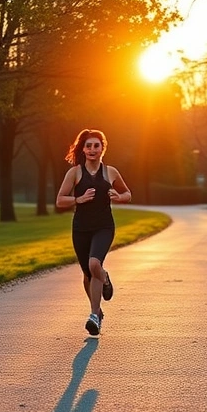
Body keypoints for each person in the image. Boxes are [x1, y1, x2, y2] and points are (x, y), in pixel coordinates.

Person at [55, 129, 132, 336]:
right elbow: (60, 200)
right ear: (83, 148)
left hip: (104, 226)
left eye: (96, 145)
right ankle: (99, 308)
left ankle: (93, 314)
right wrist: (78, 200)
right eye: (88, 146)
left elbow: (127, 194)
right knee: (88, 274)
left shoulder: (110, 172)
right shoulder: (75, 173)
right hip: (81, 228)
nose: (92, 149)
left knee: (94, 264)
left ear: (102, 148)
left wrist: (118, 196)